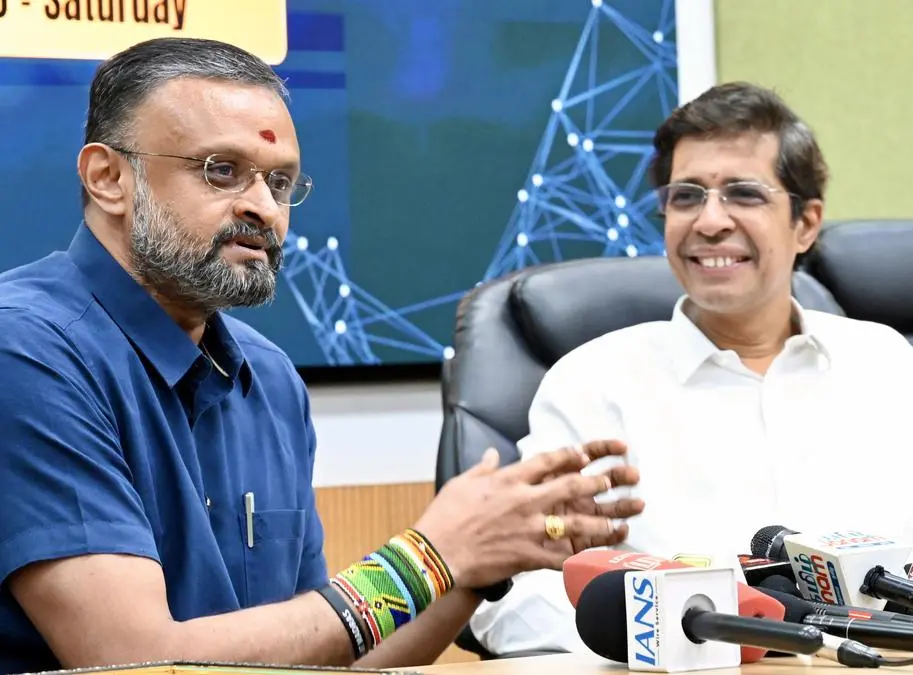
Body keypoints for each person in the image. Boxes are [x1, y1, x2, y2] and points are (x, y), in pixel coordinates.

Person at [0, 37, 643, 674]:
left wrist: (477, 564)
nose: (263, 208)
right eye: (221, 170)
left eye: (280, 182)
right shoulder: (26, 349)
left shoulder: (270, 378)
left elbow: (331, 653)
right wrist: (429, 558)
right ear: (109, 179)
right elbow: (130, 661)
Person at [468, 81, 913, 656]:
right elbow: (517, 599)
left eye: (743, 194)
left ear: (806, 223)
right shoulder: (592, 384)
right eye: (686, 196)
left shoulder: (888, 365)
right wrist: (673, 636)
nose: (710, 221)